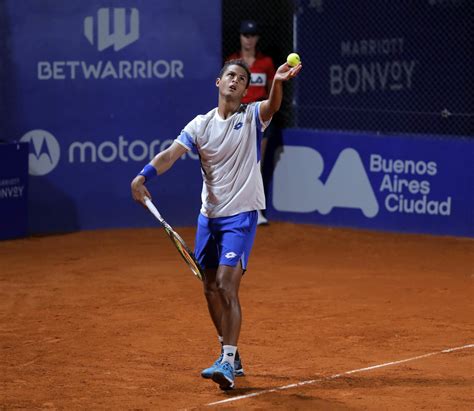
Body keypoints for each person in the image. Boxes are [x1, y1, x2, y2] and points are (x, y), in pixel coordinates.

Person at [131, 58, 302, 390]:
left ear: (244, 88)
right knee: (208, 287)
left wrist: (278, 82)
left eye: (241, 78)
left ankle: (225, 358)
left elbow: (272, 106)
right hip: (208, 217)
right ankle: (230, 350)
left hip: (241, 215)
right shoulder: (200, 125)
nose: (235, 81)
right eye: (230, 76)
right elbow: (168, 155)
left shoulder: (252, 117)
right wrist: (143, 176)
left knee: (226, 284)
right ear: (218, 82)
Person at [226, 20, 276, 226]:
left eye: (252, 35)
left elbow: (274, 90)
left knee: (257, 164)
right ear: (240, 37)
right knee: (234, 164)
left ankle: (256, 211)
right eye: (245, 35)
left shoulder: (266, 63)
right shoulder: (232, 62)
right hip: (238, 116)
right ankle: (232, 210)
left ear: (257, 38)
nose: (248, 39)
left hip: (260, 116)